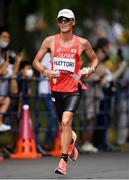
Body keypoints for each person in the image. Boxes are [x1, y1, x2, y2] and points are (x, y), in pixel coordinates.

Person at [33, 9, 99, 175]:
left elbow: (95, 59)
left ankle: (63, 162)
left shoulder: (82, 43)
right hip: (56, 89)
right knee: (63, 126)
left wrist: (90, 69)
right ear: (58, 23)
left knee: (66, 120)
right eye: (60, 20)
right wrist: (47, 72)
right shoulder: (50, 41)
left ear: (73, 22)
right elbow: (35, 62)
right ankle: (71, 141)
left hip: (73, 89)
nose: (63, 23)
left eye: (67, 20)